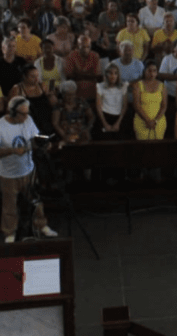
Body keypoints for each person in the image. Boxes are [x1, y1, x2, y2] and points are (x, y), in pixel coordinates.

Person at [0, 96, 58, 243]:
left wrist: (43, 143)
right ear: (13, 112)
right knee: (9, 206)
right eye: (23, 113)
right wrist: (12, 151)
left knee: (36, 201)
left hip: (28, 170)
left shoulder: (28, 120)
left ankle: (41, 225)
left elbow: (34, 137)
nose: (26, 117)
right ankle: (10, 233)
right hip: (8, 174)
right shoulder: (1, 126)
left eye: (27, 113)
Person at [132, 60, 167, 140]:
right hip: (142, 121)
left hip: (159, 121)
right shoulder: (137, 85)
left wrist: (155, 121)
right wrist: (147, 121)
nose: (152, 73)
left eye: (154, 71)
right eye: (149, 70)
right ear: (144, 71)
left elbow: (164, 106)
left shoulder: (162, 85)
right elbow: (136, 105)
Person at [52, 81, 94, 146]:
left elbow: (91, 116)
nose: (70, 97)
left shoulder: (81, 101)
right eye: (68, 95)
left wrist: (88, 128)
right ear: (63, 94)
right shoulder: (58, 105)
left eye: (73, 94)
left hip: (81, 132)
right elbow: (55, 123)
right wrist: (64, 135)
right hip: (66, 134)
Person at [95, 64, 128, 140]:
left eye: (115, 73)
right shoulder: (100, 86)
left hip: (119, 118)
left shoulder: (123, 86)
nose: (113, 76)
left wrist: (118, 123)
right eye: (110, 73)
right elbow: (98, 106)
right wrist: (105, 124)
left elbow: (125, 106)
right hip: (104, 117)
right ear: (106, 74)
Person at [64, 35, 101, 102]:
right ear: (78, 46)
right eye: (83, 47)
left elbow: (97, 75)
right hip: (76, 86)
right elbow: (69, 75)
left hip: (91, 86)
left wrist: (78, 75)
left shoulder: (95, 55)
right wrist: (88, 75)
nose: (86, 49)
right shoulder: (71, 55)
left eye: (88, 47)